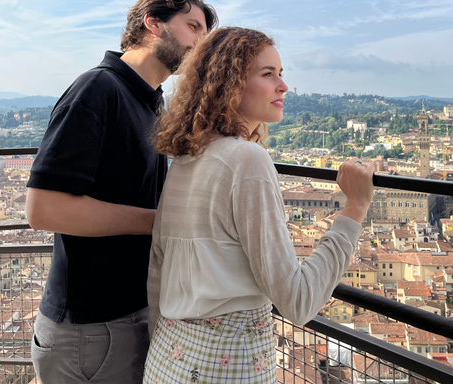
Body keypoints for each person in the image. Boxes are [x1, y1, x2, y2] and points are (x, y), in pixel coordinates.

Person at [145, 27, 375, 383]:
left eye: (280, 74)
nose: (283, 86)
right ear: (229, 85)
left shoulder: (186, 160)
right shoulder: (246, 160)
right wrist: (355, 209)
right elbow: (298, 301)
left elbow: (157, 276)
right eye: (268, 75)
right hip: (226, 368)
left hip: (167, 361)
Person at [25, 0, 217, 384]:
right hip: (90, 329)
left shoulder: (150, 100)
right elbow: (44, 209)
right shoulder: (98, 89)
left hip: (123, 318)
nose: (201, 43)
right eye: (193, 27)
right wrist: (161, 221)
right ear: (153, 24)